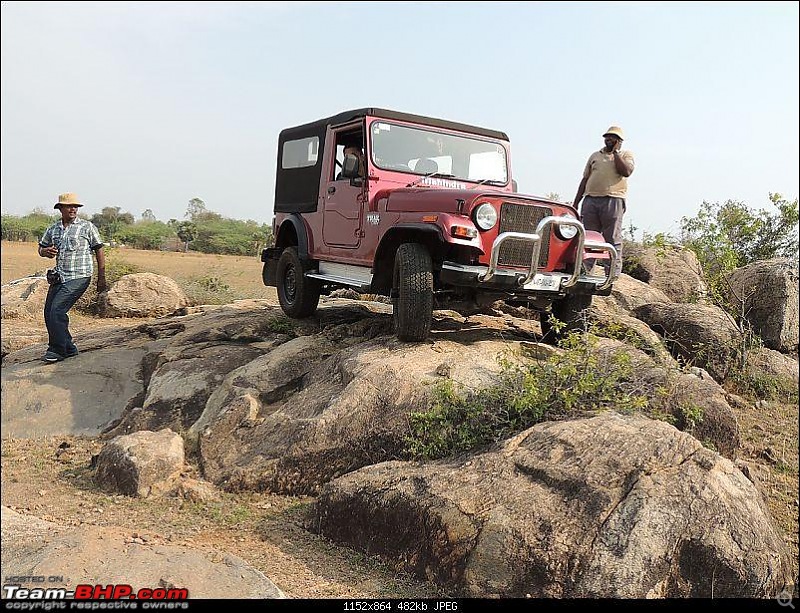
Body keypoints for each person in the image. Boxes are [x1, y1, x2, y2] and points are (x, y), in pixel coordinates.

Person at [38, 192, 107, 363]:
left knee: (57, 310)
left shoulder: (87, 227)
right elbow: (41, 248)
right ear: (60, 208)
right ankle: (68, 347)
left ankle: (57, 350)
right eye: (69, 206)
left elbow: (99, 249)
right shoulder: (53, 229)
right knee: (48, 312)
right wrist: (45, 252)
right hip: (60, 277)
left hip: (80, 276)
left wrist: (101, 277)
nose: (73, 209)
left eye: (75, 206)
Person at [573, 126, 635, 276]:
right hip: (591, 200)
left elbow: (626, 172)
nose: (609, 139)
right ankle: (584, 272)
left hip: (613, 200)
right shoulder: (595, 155)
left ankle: (612, 273)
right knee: (588, 237)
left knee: (612, 238)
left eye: (613, 137)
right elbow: (585, 179)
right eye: (607, 137)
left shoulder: (625, 155)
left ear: (619, 141)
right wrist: (576, 202)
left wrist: (615, 153)